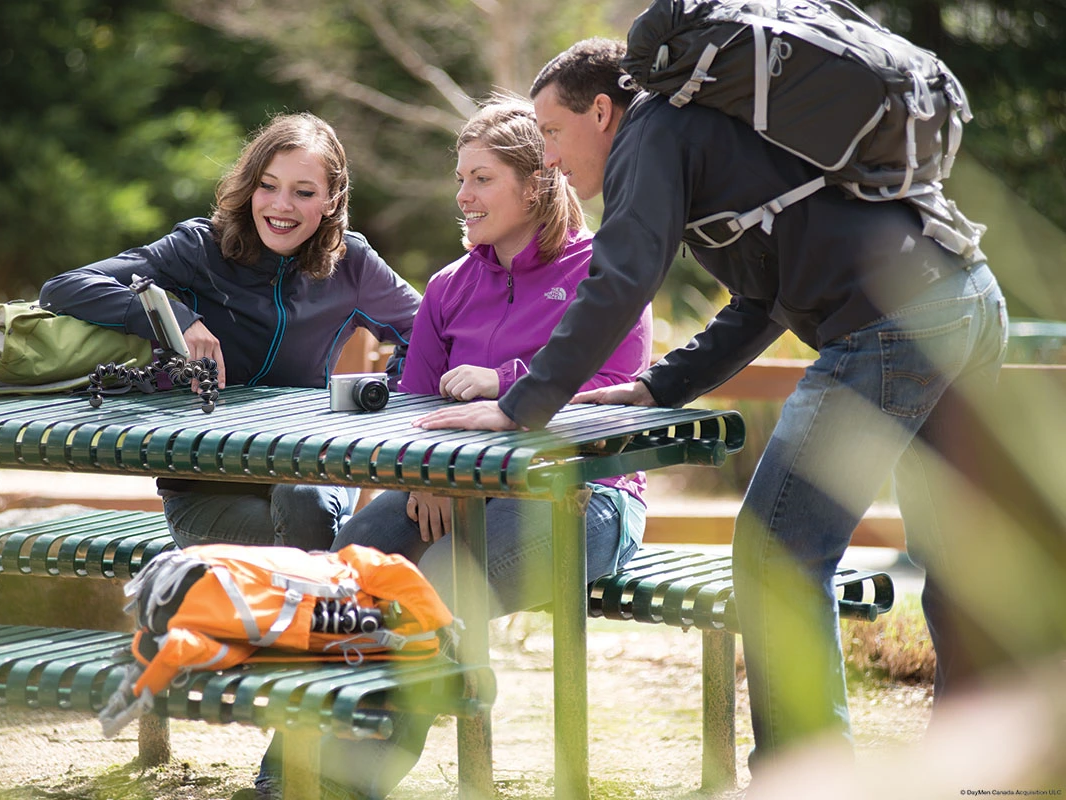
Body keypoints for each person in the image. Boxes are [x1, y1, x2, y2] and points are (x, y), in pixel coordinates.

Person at [414, 38, 1010, 774]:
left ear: (602, 111)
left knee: (777, 553)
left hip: (893, 323)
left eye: (554, 133)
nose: (552, 158)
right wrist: (661, 385)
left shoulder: (651, 134)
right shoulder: (710, 138)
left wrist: (523, 403)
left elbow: (620, 281)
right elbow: (765, 299)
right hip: (966, 296)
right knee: (955, 551)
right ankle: (982, 767)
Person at [235, 98, 653, 800]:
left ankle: (348, 785)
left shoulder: (604, 273)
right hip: (453, 491)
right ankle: (288, 777)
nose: (463, 196)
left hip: (584, 499)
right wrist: (427, 477)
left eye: (481, 179)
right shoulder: (450, 287)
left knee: (428, 588)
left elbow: (617, 392)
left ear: (536, 184)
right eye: (461, 178)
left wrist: (509, 383)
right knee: (351, 572)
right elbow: (412, 410)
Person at [40, 113, 421, 553]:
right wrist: (177, 320)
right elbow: (64, 288)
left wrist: (380, 401)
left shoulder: (352, 263)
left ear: (331, 200)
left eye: (303, 192)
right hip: (206, 489)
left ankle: (321, 586)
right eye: (268, 185)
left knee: (305, 501)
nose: (281, 205)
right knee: (330, 542)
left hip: (311, 465)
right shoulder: (198, 249)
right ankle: (334, 586)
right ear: (250, 186)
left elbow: (428, 332)